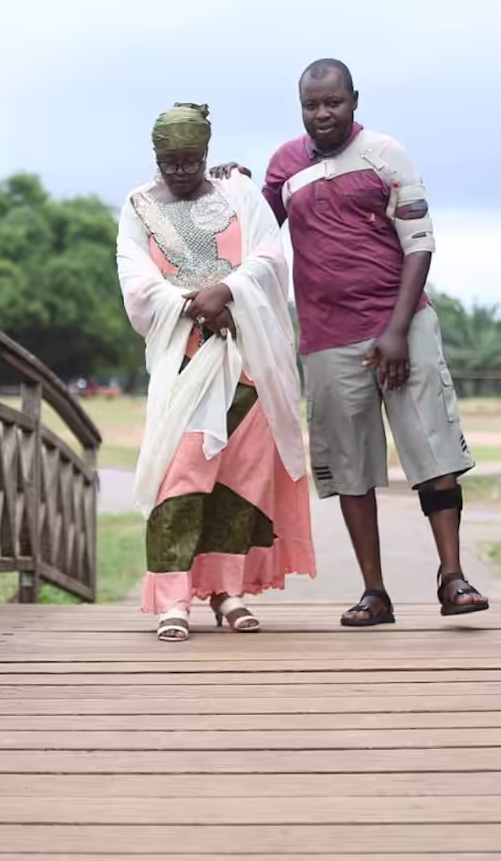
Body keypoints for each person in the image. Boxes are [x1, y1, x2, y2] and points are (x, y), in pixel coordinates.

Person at [212, 60, 488, 625]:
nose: (322, 114)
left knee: (432, 451)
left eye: (332, 102)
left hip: (402, 325)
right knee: (351, 466)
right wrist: (233, 184)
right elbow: (258, 230)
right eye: (311, 105)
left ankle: (453, 577)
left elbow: (420, 245)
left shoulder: (387, 154)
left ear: (354, 100)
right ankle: (374, 593)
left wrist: (395, 331)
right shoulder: (285, 165)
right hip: (326, 338)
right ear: (301, 108)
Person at [117, 103, 315, 641]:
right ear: (155, 157)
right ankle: (172, 599)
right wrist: (194, 304)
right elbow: (136, 283)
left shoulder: (239, 196)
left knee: (240, 478)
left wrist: (230, 292)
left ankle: (227, 593)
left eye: (190, 160)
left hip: (248, 360)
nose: (180, 171)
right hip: (185, 357)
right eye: (169, 161)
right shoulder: (139, 206)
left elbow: (271, 259)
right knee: (178, 475)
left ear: (206, 154)